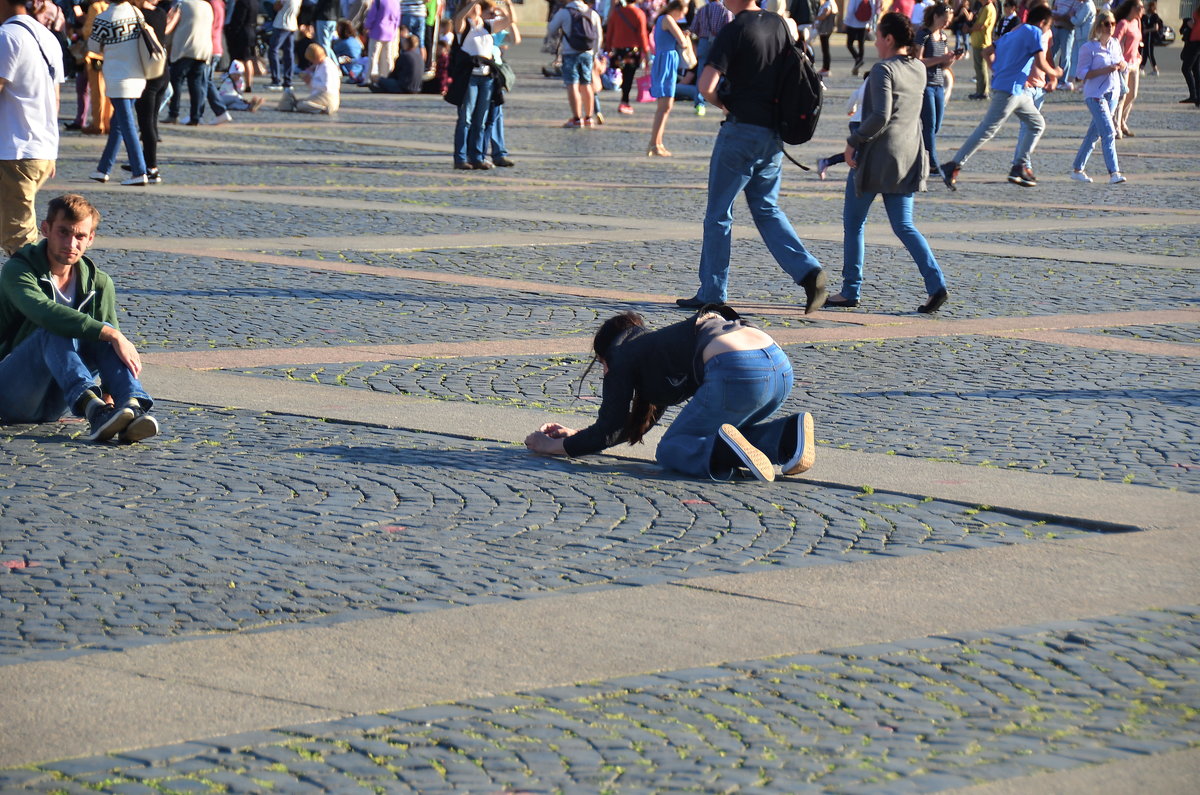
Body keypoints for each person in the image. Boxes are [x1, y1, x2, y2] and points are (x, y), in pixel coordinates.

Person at [524, 308, 816, 483]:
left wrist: (549, 447)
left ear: (603, 356)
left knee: (671, 449)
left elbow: (609, 429)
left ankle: (726, 453)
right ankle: (787, 435)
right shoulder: (658, 348)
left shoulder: (621, 356)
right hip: (778, 364)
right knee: (723, 434)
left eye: (600, 365)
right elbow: (629, 426)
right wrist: (574, 435)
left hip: (737, 366)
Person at [675, 0, 827, 313]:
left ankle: (712, 293)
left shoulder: (734, 30)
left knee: (719, 214)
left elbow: (705, 86)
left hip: (740, 133)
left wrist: (725, 105)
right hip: (772, 134)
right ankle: (809, 271)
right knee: (767, 208)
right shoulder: (779, 24)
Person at [0, 194, 159, 444]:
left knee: (105, 332)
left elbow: (109, 345)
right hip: (9, 391)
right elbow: (44, 312)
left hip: (56, 400)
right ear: (45, 229)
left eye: (80, 236)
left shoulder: (99, 283)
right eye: (63, 232)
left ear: (91, 239)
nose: (71, 243)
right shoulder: (19, 271)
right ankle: (93, 410)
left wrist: (112, 398)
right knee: (55, 329)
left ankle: (131, 406)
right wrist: (112, 334)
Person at [824, 12, 947, 314]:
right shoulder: (918, 67)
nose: (876, 42)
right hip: (908, 155)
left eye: (878, 36)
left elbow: (879, 115)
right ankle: (936, 284)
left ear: (889, 39)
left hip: (876, 157)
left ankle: (850, 290)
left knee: (854, 223)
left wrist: (853, 142)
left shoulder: (883, 70)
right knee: (904, 225)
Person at [940, 3, 1061, 190]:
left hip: (1018, 90)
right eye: (1048, 26)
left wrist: (996, 69)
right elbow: (1041, 61)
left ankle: (1018, 166)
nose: (1048, 30)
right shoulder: (1035, 32)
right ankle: (954, 164)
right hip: (1010, 90)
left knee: (1037, 124)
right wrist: (1056, 72)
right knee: (987, 130)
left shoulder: (1014, 31)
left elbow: (986, 51)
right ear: (1043, 22)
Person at [0, 0, 65, 255]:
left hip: (15, 151)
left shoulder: (7, 36)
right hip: (38, 149)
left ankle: (38, 292)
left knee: (19, 241)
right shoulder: (47, 37)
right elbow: (55, 99)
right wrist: (50, 148)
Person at [87, 0, 149, 184]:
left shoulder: (104, 18)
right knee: (118, 124)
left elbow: (93, 47)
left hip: (117, 78)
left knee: (127, 125)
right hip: (138, 75)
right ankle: (103, 169)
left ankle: (139, 171)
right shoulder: (136, 12)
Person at [447, 0, 510, 168]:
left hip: (487, 77)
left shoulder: (487, 26)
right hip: (470, 77)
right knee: (465, 119)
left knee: (480, 121)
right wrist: (471, 3)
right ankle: (460, 158)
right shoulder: (464, 27)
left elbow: (509, 21)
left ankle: (477, 157)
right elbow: (457, 19)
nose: (476, 7)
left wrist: (507, 5)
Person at [1071, 10, 1125, 182]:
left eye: (1113, 24)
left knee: (1094, 134)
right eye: (1107, 24)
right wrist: (1105, 70)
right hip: (1095, 95)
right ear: (1099, 25)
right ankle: (1114, 173)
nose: (1111, 27)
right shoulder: (1088, 47)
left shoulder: (1115, 43)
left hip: (1113, 94)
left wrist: (1123, 65)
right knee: (1109, 132)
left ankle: (1077, 169)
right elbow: (1081, 73)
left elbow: (1122, 63)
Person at [914, 2, 961, 175]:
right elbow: (917, 61)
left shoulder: (942, 36)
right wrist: (941, 58)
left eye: (949, 21)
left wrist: (952, 58)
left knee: (937, 124)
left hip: (939, 83)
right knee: (929, 123)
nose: (947, 24)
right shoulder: (923, 34)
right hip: (924, 84)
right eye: (945, 20)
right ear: (936, 16)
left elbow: (944, 65)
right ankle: (932, 163)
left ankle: (922, 153)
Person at [646, 0, 692, 156]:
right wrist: (685, 36)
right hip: (665, 64)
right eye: (684, 11)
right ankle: (654, 143)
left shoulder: (664, 19)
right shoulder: (667, 19)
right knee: (665, 105)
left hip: (666, 62)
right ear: (677, 9)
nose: (683, 15)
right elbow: (683, 42)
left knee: (666, 105)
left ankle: (657, 142)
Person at [546, 0, 603, 127]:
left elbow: (551, 28)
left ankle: (577, 119)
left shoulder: (564, 12)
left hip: (570, 51)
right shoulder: (592, 13)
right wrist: (595, 54)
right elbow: (599, 37)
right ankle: (589, 118)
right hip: (587, 53)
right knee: (586, 83)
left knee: (572, 84)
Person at [131, 0, 167, 183]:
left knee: (146, 123)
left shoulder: (138, 15)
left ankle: (152, 167)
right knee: (151, 121)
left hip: (148, 73)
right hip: (162, 70)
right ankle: (145, 161)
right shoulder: (161, 13)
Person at [165, 0, 213, 123]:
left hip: (184, 48)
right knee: (196, 83)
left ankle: (173, 113)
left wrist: (167, 46)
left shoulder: (181, 5)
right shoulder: (208, 6)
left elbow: (171, 26)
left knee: (176, 81)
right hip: (203, 49)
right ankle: (195, 116)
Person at [485, 0, 519, 166]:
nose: (493, 15)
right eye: (490, 12)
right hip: (483, 71)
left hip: (497, 71)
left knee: (496, 114)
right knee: (481, 116)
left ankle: (499, 152)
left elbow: (516, 38)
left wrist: (506, 11)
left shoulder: (496, 26)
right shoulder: (480, 26)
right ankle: (479, 153)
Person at [605, 0, 649, 114]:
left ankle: (624, 100)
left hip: (618, 50)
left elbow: (610, 31)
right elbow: (642, 35)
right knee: (629, 77)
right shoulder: (639, 13)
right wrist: (646, 51)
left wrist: (608, 48)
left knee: (622, 75)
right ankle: (625, 101)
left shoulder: (616, 12)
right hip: (632, 51)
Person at [690, 0, 732, 111]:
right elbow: (729, 28)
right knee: (718, 71)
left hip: (703, 41)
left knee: (701, 71)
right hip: (719, 41)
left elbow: (693, 28)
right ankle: (717, 98)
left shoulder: (702, 10)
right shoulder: (725, 10)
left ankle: (699, 103)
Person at [278, 41, 341, 111]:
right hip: (326, 95)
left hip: (327, 96)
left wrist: (310, 81)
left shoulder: (326, 67)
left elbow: (326, 86)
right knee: (298, 102)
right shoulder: (324, 64)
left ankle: (323, 109)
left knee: (300, 105)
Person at [1111, 0, 1141, 137]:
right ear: (1132, 8)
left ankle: (1122, 120)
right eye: (1140, 7)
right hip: (1124, 64)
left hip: (1135, 63)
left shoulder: (1137, 22)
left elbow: (1138, 42)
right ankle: (1116, 126)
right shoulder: (1123, 23)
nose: (1143, 9)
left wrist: (1139, 57)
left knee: (1132, 94)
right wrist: (1119, 61)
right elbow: (1114, 41)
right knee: (1121, 96)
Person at [223, 0, 259, 92]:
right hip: (251, 32)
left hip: (242, 34)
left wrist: (232, 32)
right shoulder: (255, 2)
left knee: (239, 60)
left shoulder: (242, 2)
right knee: (248, 59)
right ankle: (248, 84)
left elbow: (239, 19)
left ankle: (234, 83)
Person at [268, 0, 302, 89]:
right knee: (289, 52)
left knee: (273, 50)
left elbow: (277, 6)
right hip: (292, 24)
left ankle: (276, 80)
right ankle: (288, 80)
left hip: (282, 23)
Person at [967, 0, 995, 97]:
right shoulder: (983, 7)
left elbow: (981, 26)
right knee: (978, 68)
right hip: (978, 41)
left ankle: (983, 92)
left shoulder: (988, 8)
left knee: (981, 68)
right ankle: (980, 90)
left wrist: (969, 29)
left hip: (982, 42)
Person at [843, 0, 874, 74]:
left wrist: (846, 22)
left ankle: (858, 59)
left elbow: (850, 10)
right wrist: (869, 23)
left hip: (852, 23)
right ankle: (858, 62)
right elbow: (872, 9)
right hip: (863, 24)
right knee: (861, 44)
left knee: (849, 44)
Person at [1182, 7, 1200, 107]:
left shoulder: (1196, 12)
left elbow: (1191, 25)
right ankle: (1197, 97)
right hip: (1196, 42)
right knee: (1196, 70)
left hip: (1195, 42)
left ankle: (1194, 95)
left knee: (1186, 68)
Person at [814, 0, 836, 74]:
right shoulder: (829, 3)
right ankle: (825, 67)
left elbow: (825, 15)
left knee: (825, 48)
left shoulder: (829, 4)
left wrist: (816, 18)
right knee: (825, 49)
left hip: (825, 29)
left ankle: (826, 68)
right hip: (825, 28)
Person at [1140, 1, 1159, 74]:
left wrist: (1147, 31)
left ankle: (1155, 70)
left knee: (1150, 53)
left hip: (1151, 37)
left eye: (1148, 6)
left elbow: (1156, 28)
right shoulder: (1145, 16)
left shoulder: (1154, 16)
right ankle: (1141, 68)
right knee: (1145, 53)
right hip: (1146, 37)